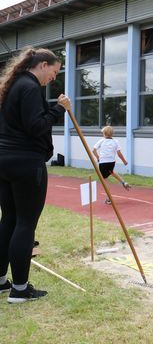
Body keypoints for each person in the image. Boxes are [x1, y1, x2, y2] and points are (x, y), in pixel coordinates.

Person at [0, 47, 70, 303]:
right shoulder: (29, 87)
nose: (53, 78)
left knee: (9, 219)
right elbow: (36, 126)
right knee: (25, 223)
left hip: (5, 160)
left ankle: (1, 282)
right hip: (25, 162)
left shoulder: (12, 86)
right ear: (42, 65)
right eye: (54, 72)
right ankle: (19, 289)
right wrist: (59, 108)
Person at [92, 126, 131, 204]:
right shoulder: (115, 141)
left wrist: (98, 157)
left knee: (104, 181)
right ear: (112, 134)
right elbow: (119, 153)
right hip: (111, 162)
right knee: (112, 172)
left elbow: (93, 150)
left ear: (104, 133)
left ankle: (109, 199)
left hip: (103, 162)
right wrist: (124, 161)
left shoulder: (101, 141)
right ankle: (123, 182)